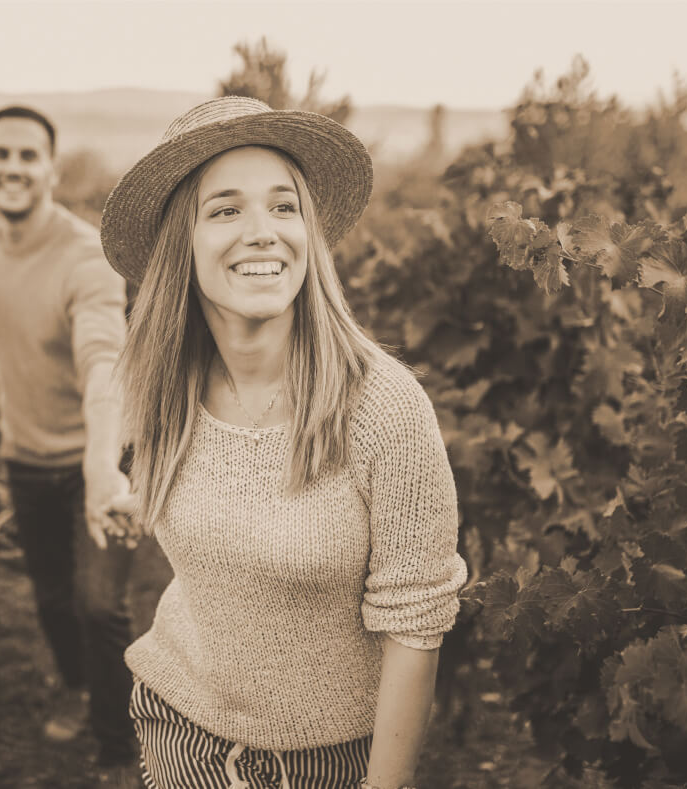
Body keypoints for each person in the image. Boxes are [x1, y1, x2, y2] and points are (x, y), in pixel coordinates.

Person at [99, 96, 468, 789]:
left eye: (283, 206)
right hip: (181, 729)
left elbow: (415, 627)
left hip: (334, 761)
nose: (263, 232)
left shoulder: (383, 409)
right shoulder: (163, 383)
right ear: (183, 242)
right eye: (226, 209)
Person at [0, 104, 138, 768]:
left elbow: (104, 365)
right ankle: (73, 687)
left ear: (51, 169)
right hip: (24, 459)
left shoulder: (86, 259)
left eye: (27, 155)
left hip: (97, 455)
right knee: (49, 597)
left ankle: (119, 752)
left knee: (98, 605)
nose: (13, 167)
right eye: (1, 154)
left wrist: (101, 468)